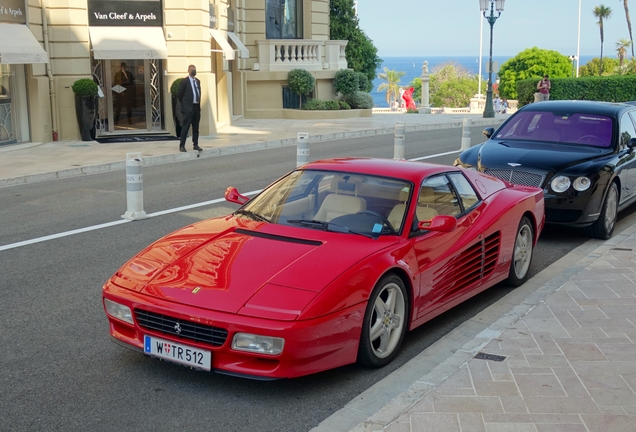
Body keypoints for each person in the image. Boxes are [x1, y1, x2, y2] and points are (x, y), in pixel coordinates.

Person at [177, 65, 203, 152]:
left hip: (196, 107)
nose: (193, 71)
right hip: (188, 108)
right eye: (192, 70)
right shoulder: (185, 82)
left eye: (194, 70)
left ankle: (195, 144)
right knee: (186, 127)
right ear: (188, 70)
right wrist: (185, 104)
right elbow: (180, 94)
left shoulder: (197, 81)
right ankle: (182, 145)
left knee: (196, 127)